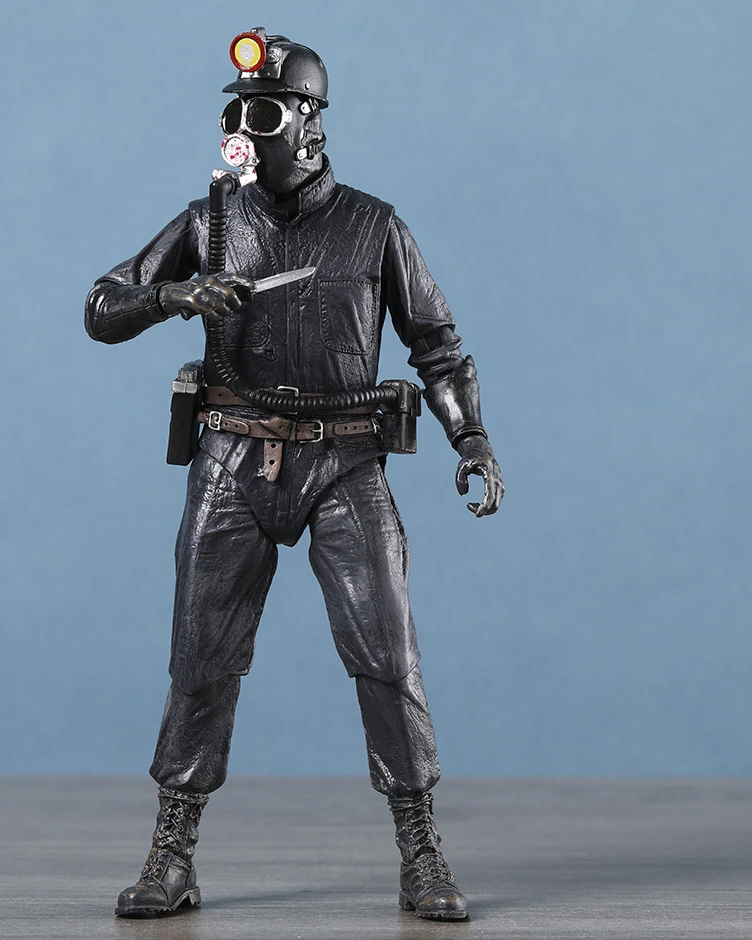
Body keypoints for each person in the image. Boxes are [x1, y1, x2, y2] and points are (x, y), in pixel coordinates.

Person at [84, 28, 504, 922]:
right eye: (239, 113)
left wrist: (471, 439)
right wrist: (173, 296)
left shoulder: (374, 227)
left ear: (310, 122)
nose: (248, 128)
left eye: (266, 112)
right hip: (231, 460)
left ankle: (421, 847)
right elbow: (102, 305)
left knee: (387, 654)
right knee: (200, 658)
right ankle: (171, 850)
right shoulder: (208, 222)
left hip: (344, 461)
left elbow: (438, 346)